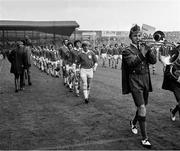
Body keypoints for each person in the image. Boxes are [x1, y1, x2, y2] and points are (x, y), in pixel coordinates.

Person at [122, 24, 157, 148]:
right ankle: (144, 138)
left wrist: (150, 49)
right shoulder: (127, 50)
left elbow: (153, 61)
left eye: (139, 35)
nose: (138, 37)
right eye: (135, 35)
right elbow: (132, 63)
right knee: (142, 107)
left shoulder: (144, 47)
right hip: (134, 80)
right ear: (131, 37)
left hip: (145, 80)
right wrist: (143, 51)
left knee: (142, 107)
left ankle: (133, 122)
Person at [161, 45, 180, 121]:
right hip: (175, 83)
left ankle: (173, 111)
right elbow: (167, 73)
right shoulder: (172, 56)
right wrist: (176, 78)